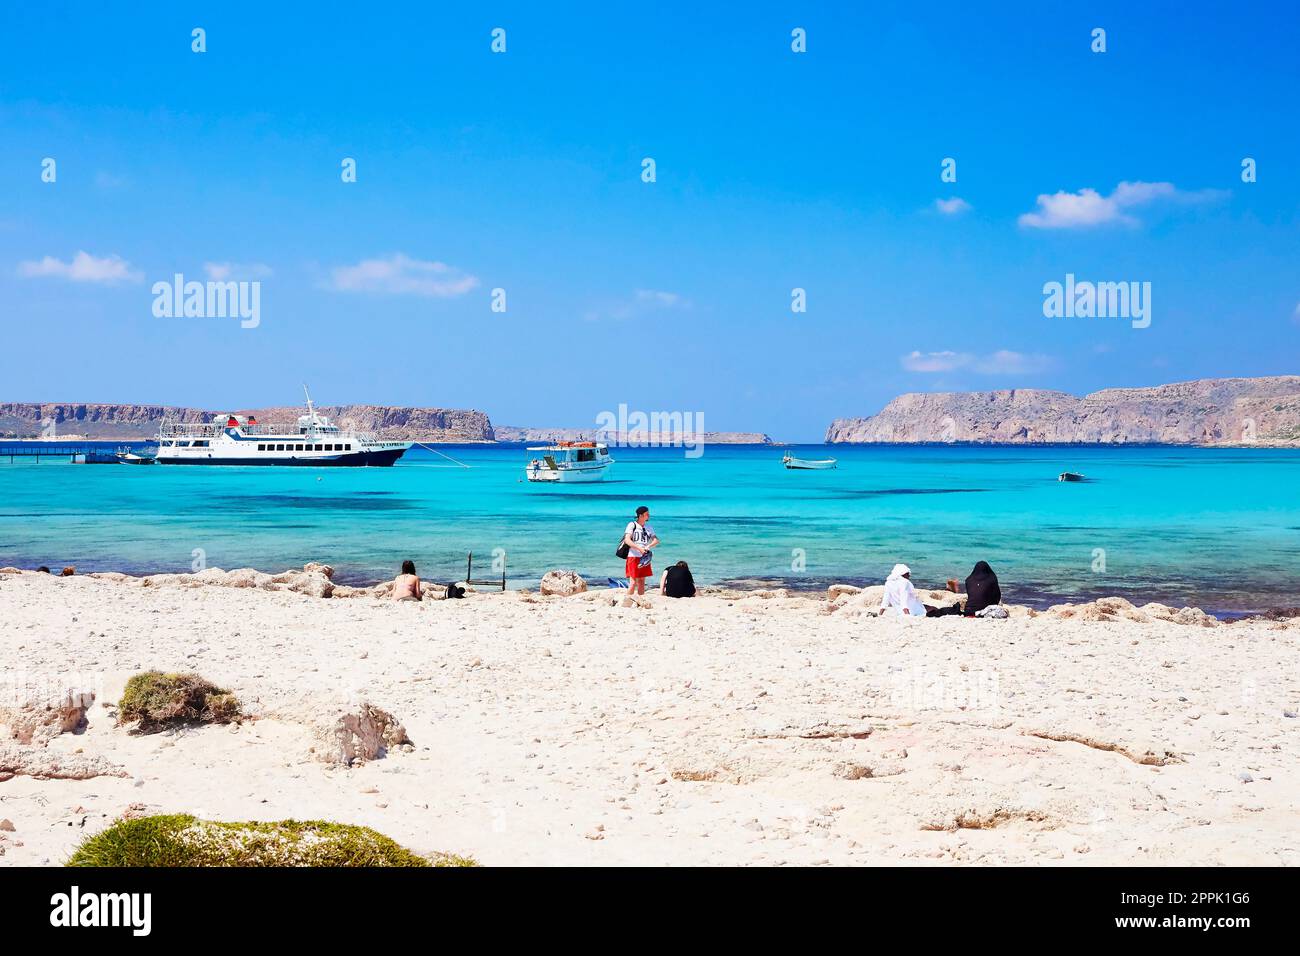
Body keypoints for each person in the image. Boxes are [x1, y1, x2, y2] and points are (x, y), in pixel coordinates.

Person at [622, 506, 659, 597]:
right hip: (633, 556)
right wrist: (639, 548)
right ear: (641, 515)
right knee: (633, 582)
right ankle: (627, 601)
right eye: (647, 514)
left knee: (642, 582)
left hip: (644, 557)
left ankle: (640, 601)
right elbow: (627, 540)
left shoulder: (649, 527)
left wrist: (648, 546)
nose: (649, 515)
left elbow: (656, 540)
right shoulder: (632, 525)